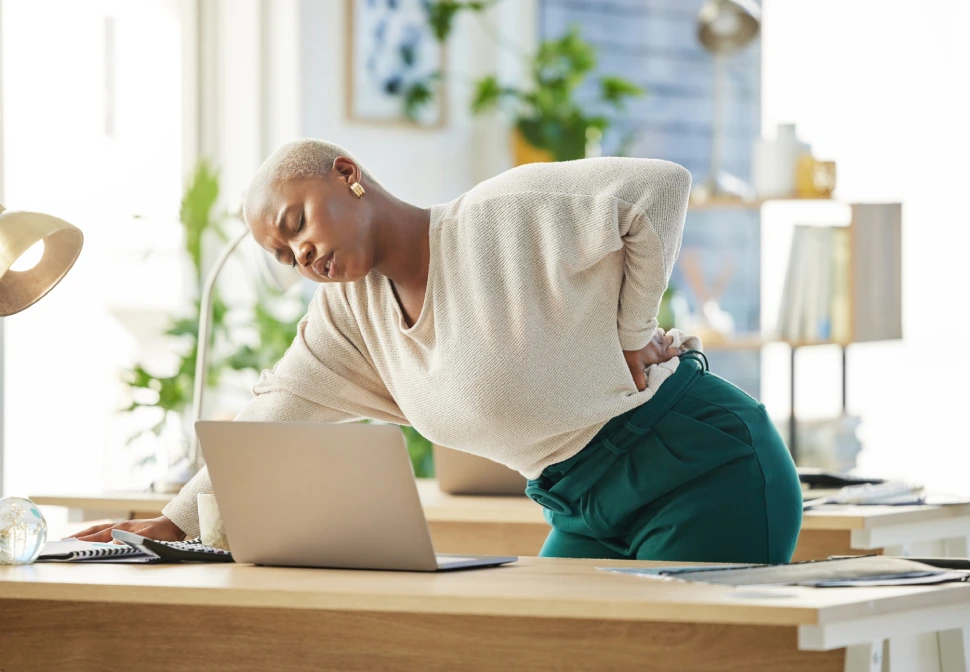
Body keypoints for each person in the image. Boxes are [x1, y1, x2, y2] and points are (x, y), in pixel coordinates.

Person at [74, 139, 802, 563]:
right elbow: (271, 413)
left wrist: (633, 332)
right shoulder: (349, 319)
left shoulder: (499, 217)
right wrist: (172, 522)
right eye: (286, 256)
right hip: (578, 501)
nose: (302, 256)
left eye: (297, 224)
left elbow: (656, 189)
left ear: (348, 174)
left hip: (700, 466)